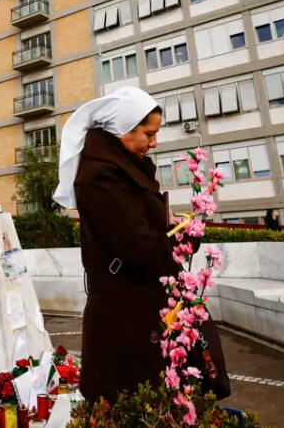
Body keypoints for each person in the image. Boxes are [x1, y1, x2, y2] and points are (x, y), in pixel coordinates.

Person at [53, 86, 229, 403]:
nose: (154, 142)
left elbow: (145, 232)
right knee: (134, 401)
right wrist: (183, 235)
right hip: (126, 316)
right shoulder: (101, 176)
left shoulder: (124, 168)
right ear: (123, 128)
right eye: (148, 133)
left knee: (154, 401)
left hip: (141, 307)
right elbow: (142, 251)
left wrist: (178, 227)